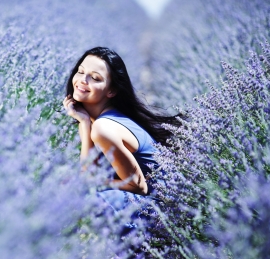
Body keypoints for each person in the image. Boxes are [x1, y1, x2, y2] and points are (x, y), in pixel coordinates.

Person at [62, 46, 181, 221]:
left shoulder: (104, 127)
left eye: (95, 78)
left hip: (159, 210)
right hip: (152, 203)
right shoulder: (101, 119)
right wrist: (84, 123)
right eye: (80, 72)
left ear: (111, 91)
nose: (83, 80)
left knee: (81, 201)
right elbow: (89, 173)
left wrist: (92, 183)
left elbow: (139, 186)